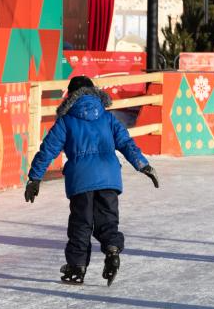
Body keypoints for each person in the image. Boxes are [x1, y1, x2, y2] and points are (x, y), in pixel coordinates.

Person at [24, 75, 159, 287]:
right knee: (107, 221)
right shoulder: (108, 117)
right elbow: (126, 143)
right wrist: (143, 165)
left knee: (81, 224)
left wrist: (34, 178)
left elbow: (48, 150)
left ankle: (77, 267)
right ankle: (112, 250)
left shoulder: (66, 121)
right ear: (94, 92)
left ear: (70, 95)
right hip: (109, 178)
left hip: (81, 180)